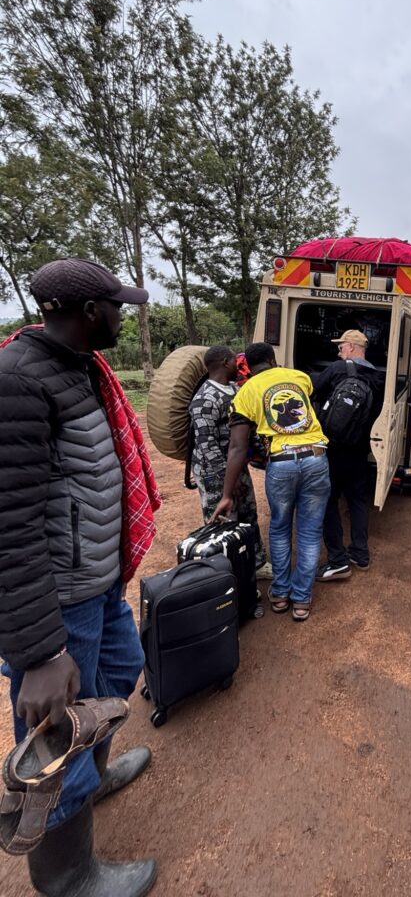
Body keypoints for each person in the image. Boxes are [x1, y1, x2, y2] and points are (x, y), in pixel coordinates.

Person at [0, 257, 159, 895]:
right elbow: (10, 525)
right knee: (55, 734)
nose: (123, 316)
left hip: (96, 580)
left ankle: (92, 777)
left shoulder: (78, 367)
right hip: (60, 600)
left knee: (120, 672)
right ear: (91, 312)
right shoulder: (18, 382)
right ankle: (66, 876)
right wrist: (41, 653)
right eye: (117, 306)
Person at [210, 343, 331, 622]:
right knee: (310, 532)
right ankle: (301, 600)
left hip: (282, 462)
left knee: (279, 528)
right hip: (316, 458)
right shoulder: (298, 377)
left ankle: (280, 594)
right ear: (273, 360)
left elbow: (238, 447)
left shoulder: (245, 392)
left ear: (248, 367)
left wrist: (226, 494)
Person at [188, 345, 272, 583]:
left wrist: (266, 456)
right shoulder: (204, 399)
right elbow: (206, 445)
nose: (240, 366)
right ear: (226, 362)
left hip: (237, 466)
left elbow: (249, 430)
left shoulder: (236, 390)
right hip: (214, 474)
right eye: (236, 361)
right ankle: (227, 576)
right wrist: (228, 480)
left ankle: (255, 564)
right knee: (223, 522)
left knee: (248, 514)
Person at [312, 329, 384, 581]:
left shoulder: (337, 369)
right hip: (360, 449)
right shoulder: (376, 377)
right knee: (357, 500)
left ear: (352, 347)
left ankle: (337, 560)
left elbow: (314, 392)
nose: (339, 351)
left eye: (341, 346)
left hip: (334, 450)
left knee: (328, 500)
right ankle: (360, 554)